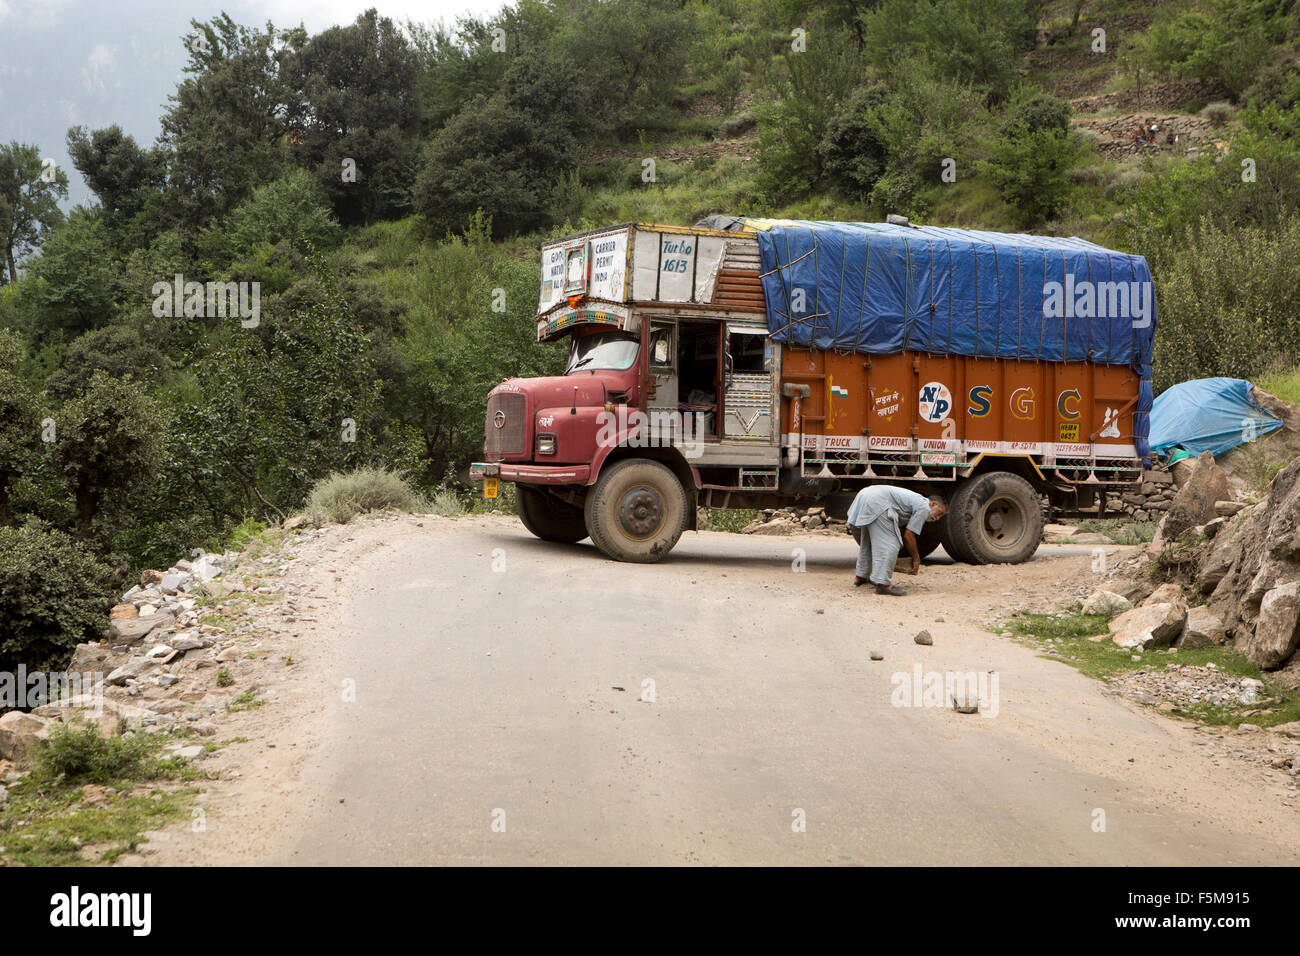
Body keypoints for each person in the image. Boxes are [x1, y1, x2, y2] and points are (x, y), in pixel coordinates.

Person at [847, 486, 946, 596]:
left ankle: (861, 576)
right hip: (878, 501)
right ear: (933, 504)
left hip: (865, 494)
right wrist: (916, 559)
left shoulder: (916, 500)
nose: (937, 518)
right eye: (940, 513)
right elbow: (909, 535)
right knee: (891, 544)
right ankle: (883, 584)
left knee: (868, 542)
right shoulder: (924, 507)